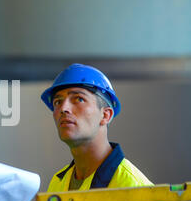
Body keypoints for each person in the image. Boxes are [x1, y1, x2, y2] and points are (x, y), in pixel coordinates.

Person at [40, 63, 153, 192]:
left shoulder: (134, 187)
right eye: (57, 102)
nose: (63, 109)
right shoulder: (58, 182)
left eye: (79, 99)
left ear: (105, 115)